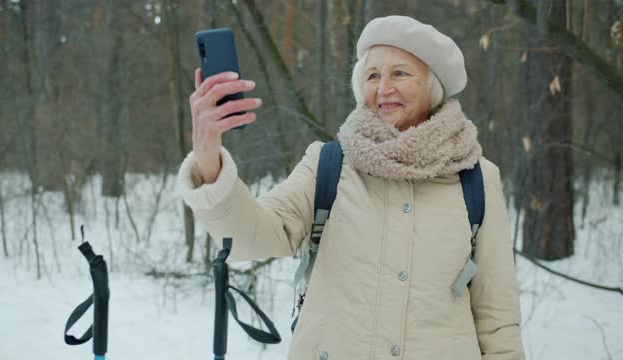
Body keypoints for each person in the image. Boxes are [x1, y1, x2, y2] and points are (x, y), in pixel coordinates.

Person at [177, 15, 525, 360]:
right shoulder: (328, 164)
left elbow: (498, 321)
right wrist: (207, 153)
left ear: (433, 86)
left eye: (400, 73)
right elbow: (250, 235)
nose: (383, 88)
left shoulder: (476, 179)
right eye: (373, 75)